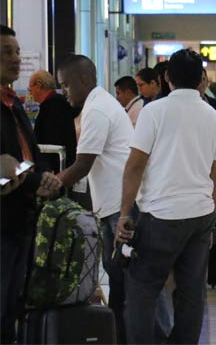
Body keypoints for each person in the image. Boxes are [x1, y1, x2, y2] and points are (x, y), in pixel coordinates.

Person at [116, 49, 216, 344]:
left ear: (166, 78)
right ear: (202, 79)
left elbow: (135, 165)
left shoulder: (154, 111)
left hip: (159, 216)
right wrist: (210, 215)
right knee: (191, 292)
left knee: (142, 290)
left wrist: (125, 213)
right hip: (200, 215)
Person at [57, 55, 145, 344]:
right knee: (120, 277)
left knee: (125, 280)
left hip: (120, 206)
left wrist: (49, 186)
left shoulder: (97, 110)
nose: (64, 92)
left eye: (66, 85)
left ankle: (131, 336)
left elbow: (83, 164)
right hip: (114, 202)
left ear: (83, 81)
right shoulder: (101, 104)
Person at [1, 25, 62, 344]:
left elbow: (25, 156)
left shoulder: (13, 103)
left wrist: (43, 175)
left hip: (21, 218)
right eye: (6, 53)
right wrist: (35, 177)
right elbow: (6, 166)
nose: (15, 59)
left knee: (14, 304)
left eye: (17, 52)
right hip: (4, 220)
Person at [28, 70, 77, 168]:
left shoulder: (52, 107)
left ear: (38, 85)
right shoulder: (60, 102)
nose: (30, 93)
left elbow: (50, 140)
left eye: (30, 89)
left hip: (57, 167)